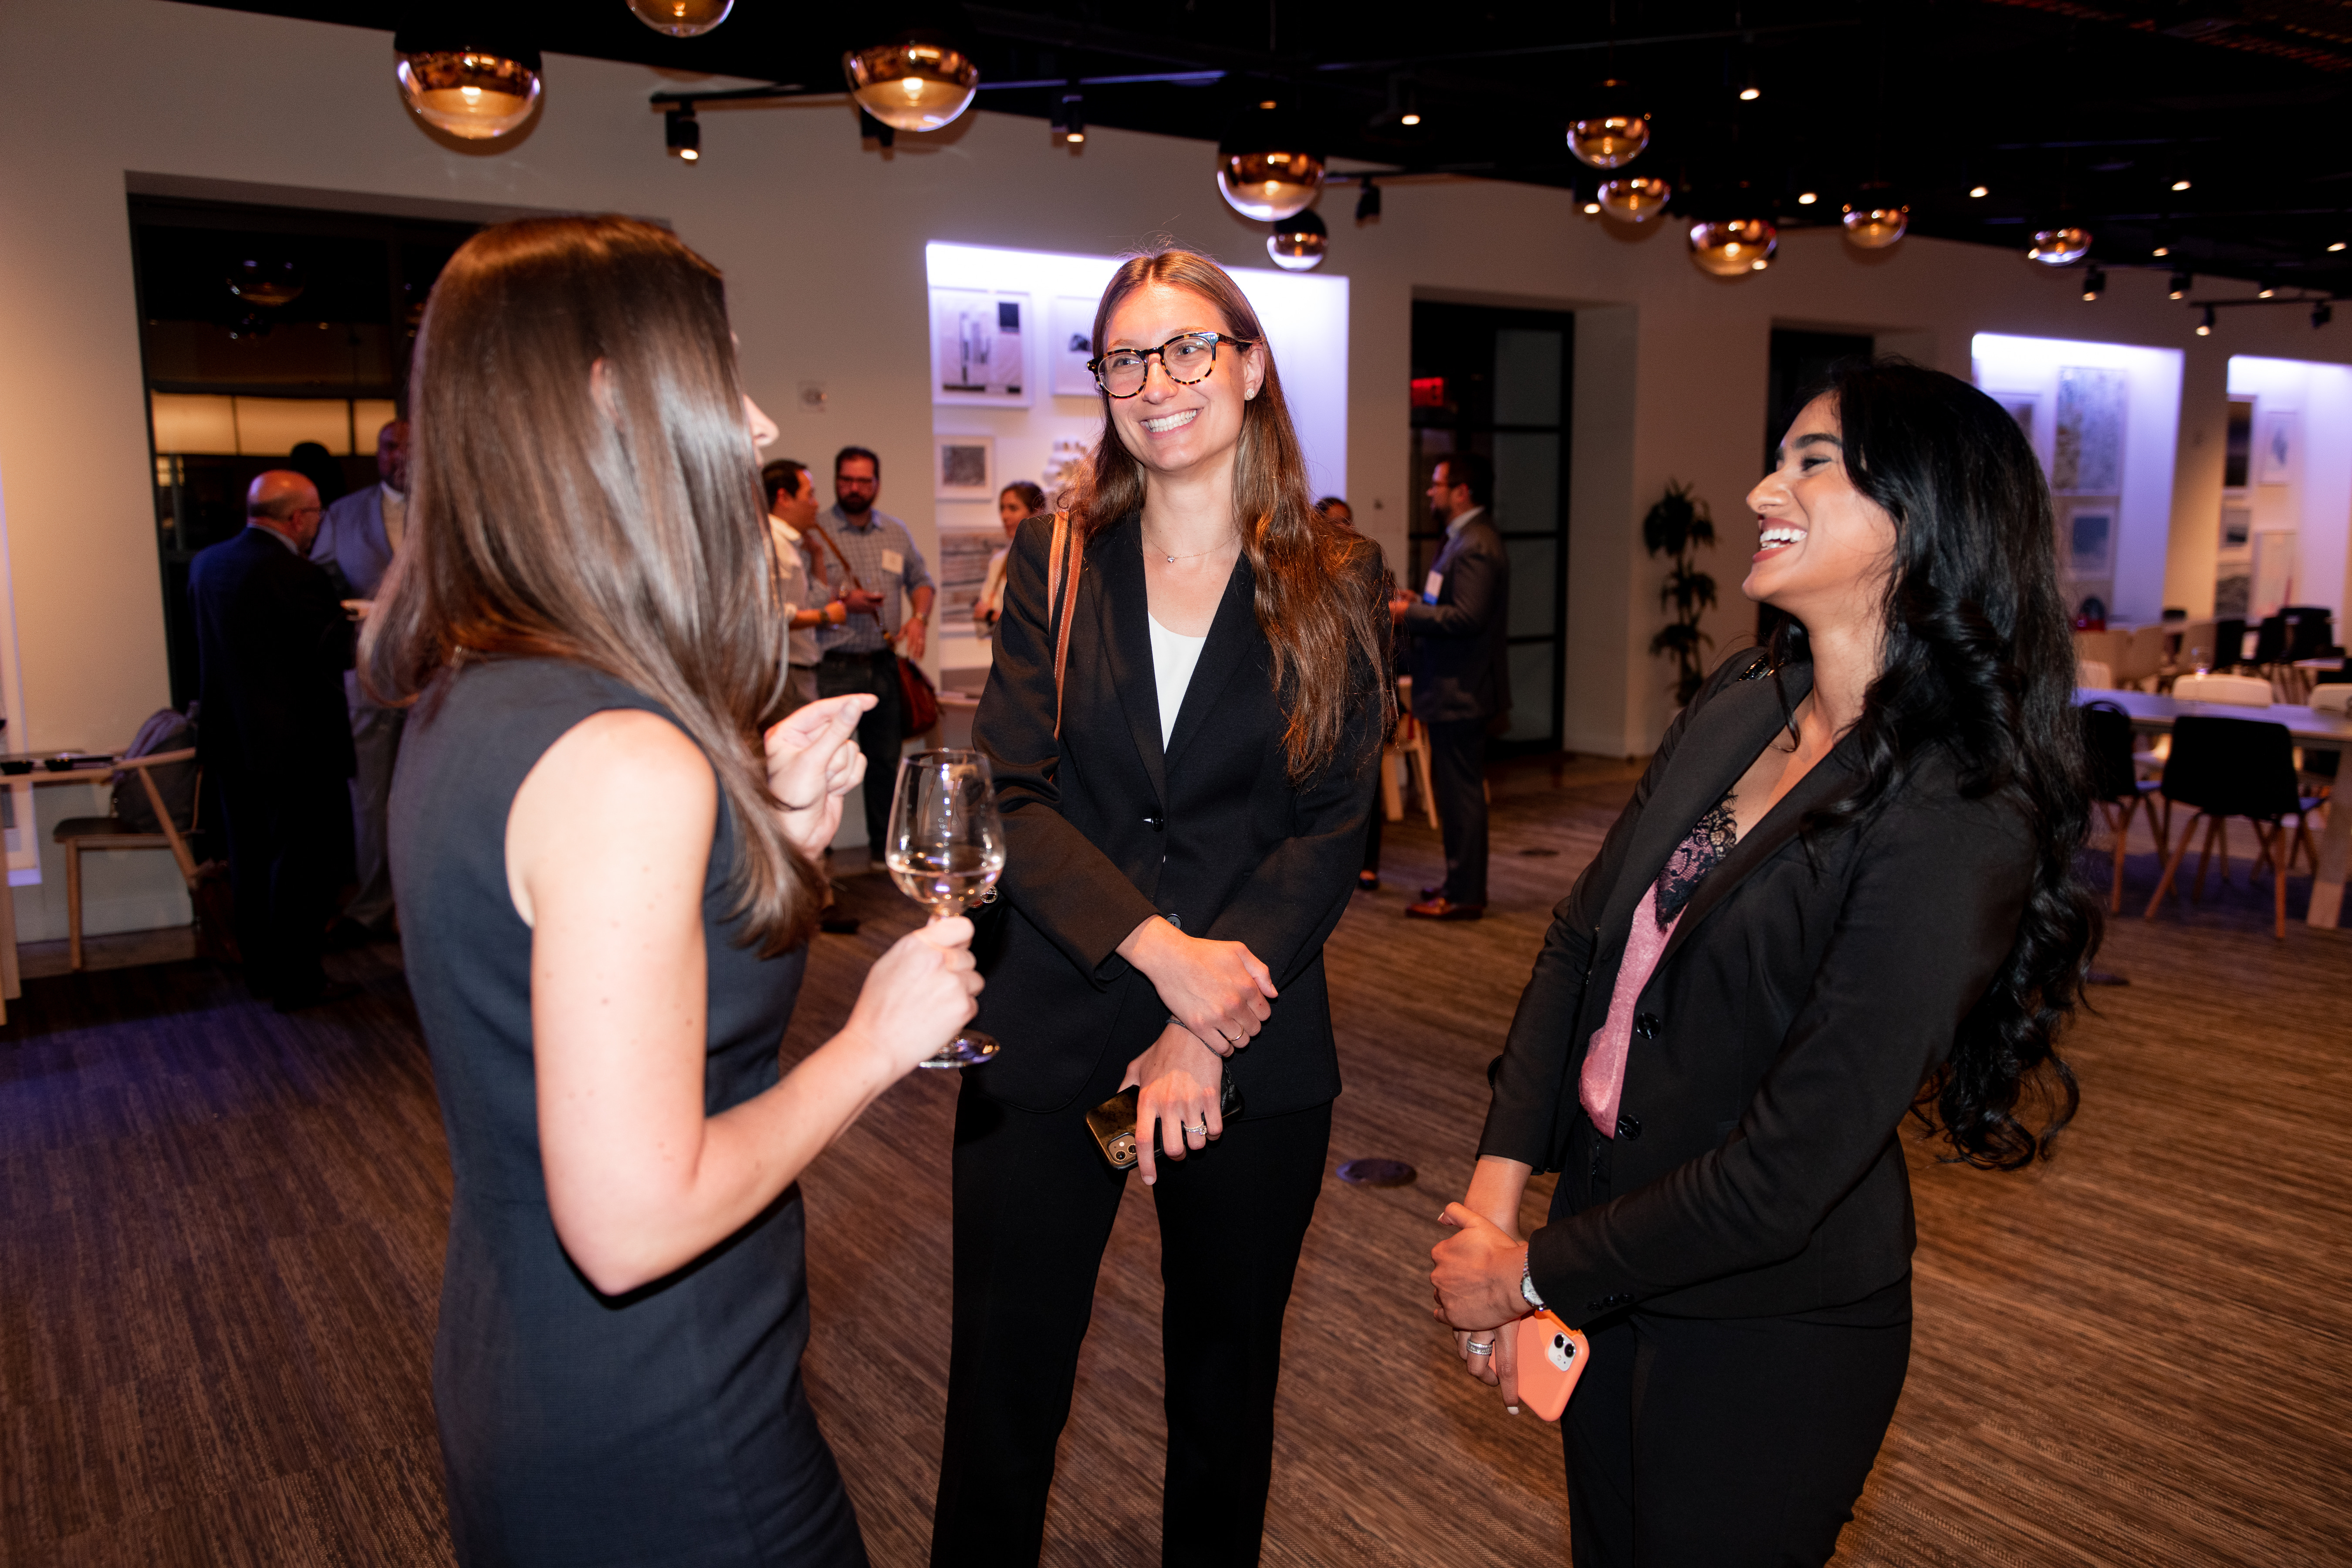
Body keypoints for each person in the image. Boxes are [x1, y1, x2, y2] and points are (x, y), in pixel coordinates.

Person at [367, 216, 983, 1567]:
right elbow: (636, 1222)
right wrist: (877, 1045)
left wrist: (765, 831)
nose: (756, 418)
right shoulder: (622, 756)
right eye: (724, 376)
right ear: (604, 399)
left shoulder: (472, 692)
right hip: (666, 1426)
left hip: (524, 1366)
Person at [1429, 360, 2098, 1568]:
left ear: (1922, 515)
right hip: (1610, 1267)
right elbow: (1582, 942)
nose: (1756, 490)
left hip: (1768, 1329)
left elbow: (1786, 1173)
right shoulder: (1748, 697)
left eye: (1809, 464)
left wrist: (1527, 1272)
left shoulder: (1958, 804)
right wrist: (1495, 1199)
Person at [933, 249, 1389, 1567]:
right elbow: (1014, 793)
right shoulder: (1058, 554)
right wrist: (1161, 956)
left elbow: (1331, 824)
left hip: (1251, 1032)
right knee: (1003, 1394)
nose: (1156, 382)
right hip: (1058, 1013)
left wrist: (1205, 1012)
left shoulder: (1336, 574)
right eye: (1127, 358)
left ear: (1249, 368)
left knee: (1224, 1396)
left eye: (1189, 348)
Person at [188, 469, 356, 1009]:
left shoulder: (207, 565)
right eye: (317, 517)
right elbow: (338, 651)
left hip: (232, 744)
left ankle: (261, 973)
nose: (316, 528)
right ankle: (297, 980)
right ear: (297, 518)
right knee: (302, 867)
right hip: (297, 749)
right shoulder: (295, 575)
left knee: (251, 860)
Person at [1391, 453, 1508, 920]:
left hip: (1463, 689)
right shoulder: (1461, 540)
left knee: (1460, 796)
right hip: (1453, 686)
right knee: (1456, 793)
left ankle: (1464, 894)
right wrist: (1422, 602)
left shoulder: (1476, 543)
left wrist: (1406, 614)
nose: (1430, 492)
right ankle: (1459, 882)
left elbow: (1468, 618)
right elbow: (1453, 605)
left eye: (1437, 484)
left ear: (1462, 491)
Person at [806, 446, 935, 863]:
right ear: (836, 482)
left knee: (885, 763)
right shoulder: (815, 530)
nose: (855, 488)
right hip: (833, 667)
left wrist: (919, 619)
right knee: (824, 763)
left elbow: (922, 582)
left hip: (882, 664)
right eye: (847, 480)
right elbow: (794, 597)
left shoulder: (894, 532)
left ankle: (885, 856)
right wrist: (845, 599)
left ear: (877, 484)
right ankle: (817, 856)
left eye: (864, 481)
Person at [311, 417, 411, 938]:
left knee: (429, 797)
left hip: (441, 681)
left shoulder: (455, 511)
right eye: (390, 447)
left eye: (410, 448)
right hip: (369, 676)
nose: (400, 457)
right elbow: (317, 584)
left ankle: (426, 913)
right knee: (368, 799)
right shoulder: (344, 515)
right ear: (378, 455)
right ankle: (371, 908)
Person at [1318, 494, 1391, 892]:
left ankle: (1369, 865)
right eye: (1334, 523)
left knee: (1368, 785)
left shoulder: (1368, 568)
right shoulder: (1303, 578)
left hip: (1360, 701)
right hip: (1320, 705)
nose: (1343, 531)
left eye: (1348, 522)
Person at [761, 458, 851, 714]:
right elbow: (770, 615)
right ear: (784, 497)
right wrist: (825, 616)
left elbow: (810, 604)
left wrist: (818, 557)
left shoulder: (788, 543)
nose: (816, 504)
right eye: (810, 494)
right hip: (784, 672)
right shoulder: (772, 544)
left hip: (796, 669)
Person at [973, 480, 1047, 631]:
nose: (1005, 516)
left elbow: (1040, 620)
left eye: (1013, 508)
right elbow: (981, 610)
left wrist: (992, 615)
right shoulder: (999, 561)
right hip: (1004, 651)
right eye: (1002, 508)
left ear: (1037, 511)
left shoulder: (1049, 559)